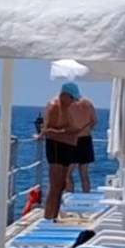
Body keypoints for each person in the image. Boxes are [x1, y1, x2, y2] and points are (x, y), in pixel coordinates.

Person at [40, 83, 81, 219]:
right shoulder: (54, 107)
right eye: (72, 99)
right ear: (64, 95)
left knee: (62, 184)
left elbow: (66, 126)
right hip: (56, 147)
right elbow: (48, 131)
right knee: (55, 185)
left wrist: (72, 131)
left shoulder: (66, 107)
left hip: (65, 146)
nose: (73, 102)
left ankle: (54, 216)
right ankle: (48, 217)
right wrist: (69, 131)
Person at [70, 94, 98, 194]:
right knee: (84, 173)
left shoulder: (70, 105)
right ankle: (86, 196)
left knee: (67, 174)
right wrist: (87, 129)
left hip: (73, 140)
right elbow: (94, 121)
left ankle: (69, 196)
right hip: (86, 139)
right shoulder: (88, 104)